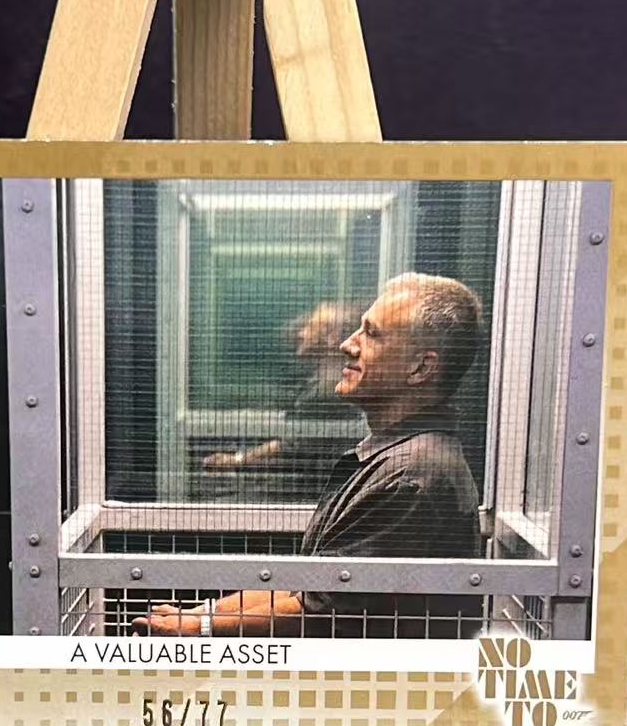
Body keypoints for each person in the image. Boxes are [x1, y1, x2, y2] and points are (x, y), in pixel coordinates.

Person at [135, 273, 485, 639]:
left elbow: (323, 608)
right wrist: (206, 612)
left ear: (421, 368)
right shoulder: (397, 457)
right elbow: (311, 583)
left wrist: (199, 626)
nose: (348, 344)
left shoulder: (411, 475)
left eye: (372, 334)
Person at [201, 301, 364, 486]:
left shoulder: (328, 390)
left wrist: (237, 460)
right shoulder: (326, 381)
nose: (301, 333)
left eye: (310, 326)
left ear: (331, 338)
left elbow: (291, 448)